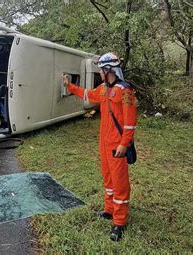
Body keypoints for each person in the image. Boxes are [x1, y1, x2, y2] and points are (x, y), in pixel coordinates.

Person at [62, 53, 137, 241]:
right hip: (104, 143)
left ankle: (119, 222)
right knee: (108, 177)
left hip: (117, 145)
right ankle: (109, 210)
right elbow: (88, 94)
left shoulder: (125, 91)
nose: (100, 73)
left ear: (108, 70)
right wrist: (69, 86)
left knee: (119, 182)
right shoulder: (103, 89)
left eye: (101, 70)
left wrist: (124, 143)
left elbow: (130, 122)